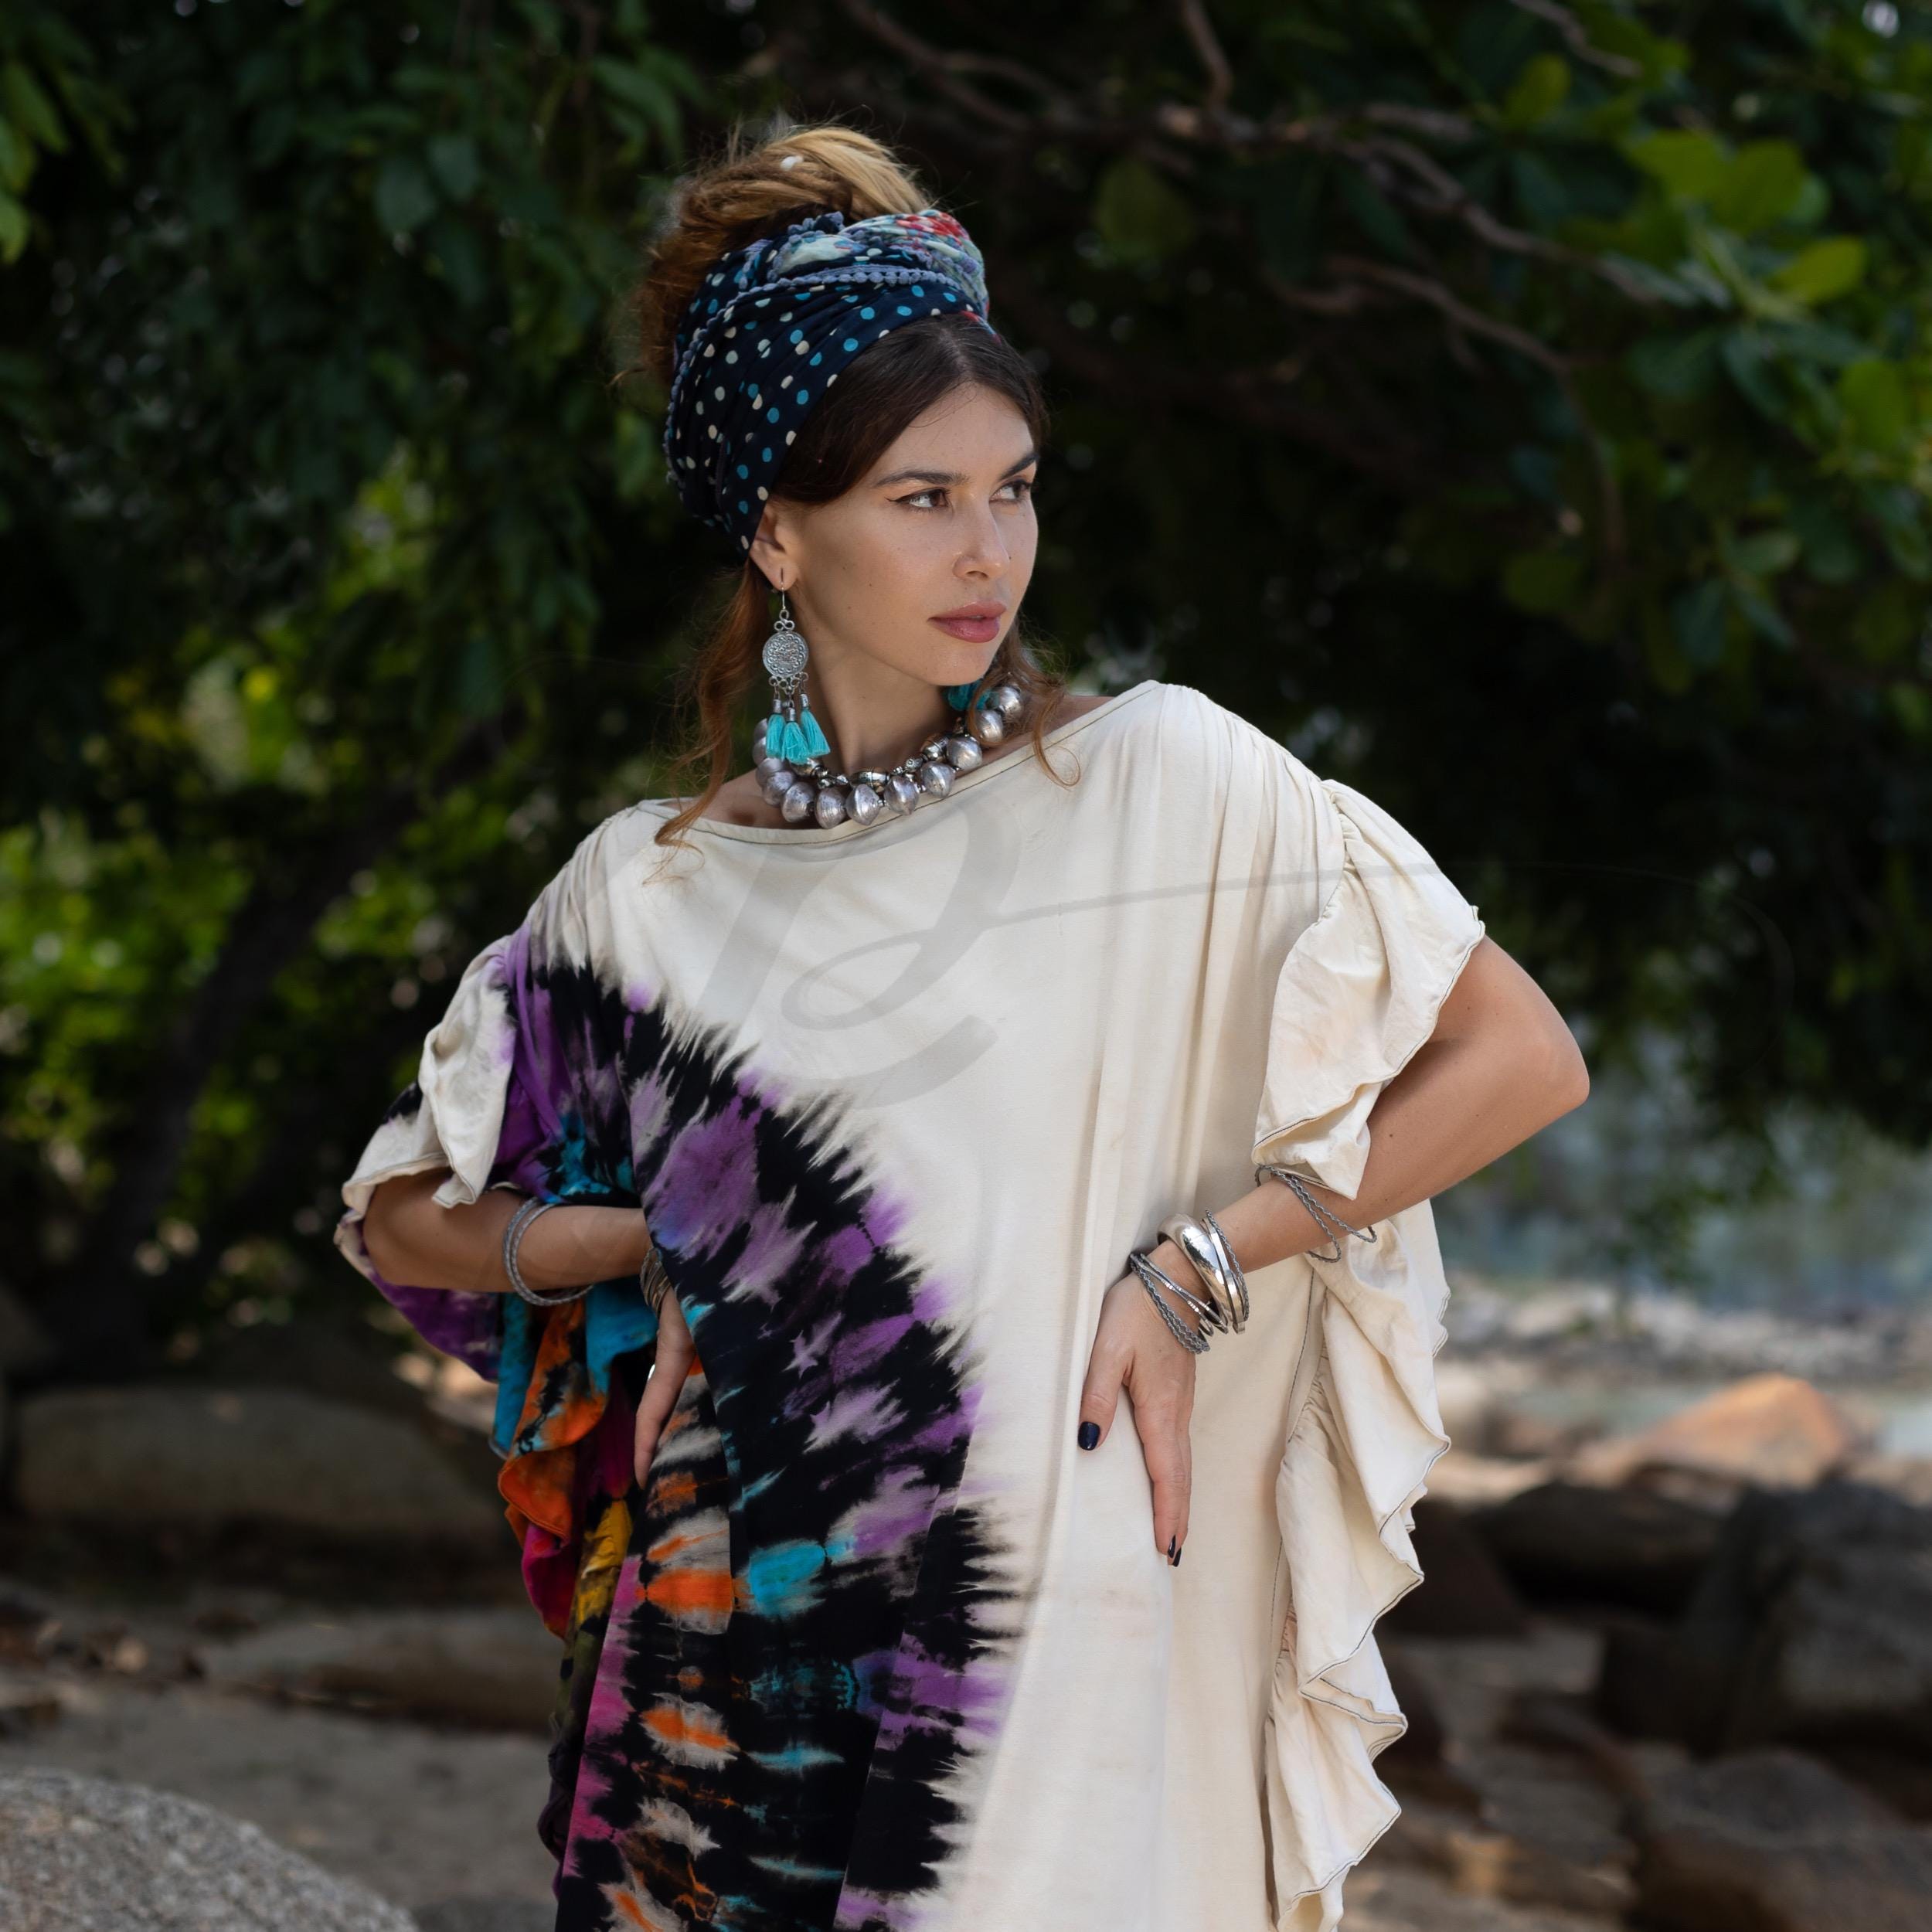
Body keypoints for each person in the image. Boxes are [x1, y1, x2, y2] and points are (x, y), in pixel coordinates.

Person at [334, 122, 1588, 1932]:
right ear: (776, 527)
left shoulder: (1165, 784)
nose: (985, 547)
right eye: (921, 496)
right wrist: (657, 1241)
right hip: (729, 1687)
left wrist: (1200, 1263)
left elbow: (1516, 1056)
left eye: (1012, 488)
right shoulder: (644, 896)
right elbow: (404, 1215)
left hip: (1069, 1670)